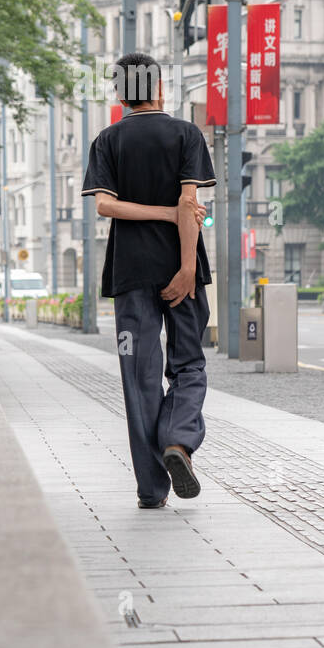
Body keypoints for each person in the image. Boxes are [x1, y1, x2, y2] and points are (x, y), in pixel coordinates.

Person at [81, 52, 216, 510]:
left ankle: (151, 488)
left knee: (138, 376)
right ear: (160, 88)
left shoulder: (107, 140)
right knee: (188, 364)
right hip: (182, 266)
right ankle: (178, 441)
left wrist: (152, 212)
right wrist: (185, 268)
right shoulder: (186, 134)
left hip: (130, 272)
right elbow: (187, 205)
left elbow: (105, 206)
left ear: (120, 95)